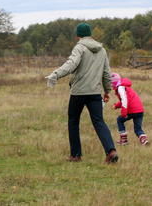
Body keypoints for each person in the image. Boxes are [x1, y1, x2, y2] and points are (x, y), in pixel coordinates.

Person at [46, 23, 118, 164]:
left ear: (78, 36)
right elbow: (107, 73)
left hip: (78, 92)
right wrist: (107, 91)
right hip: (95, 92)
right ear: (90, 34)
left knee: (73, 121)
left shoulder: (79, 47)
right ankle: (111, 151)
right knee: (99, 121)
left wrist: (56, 74)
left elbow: (71, 64)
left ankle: (76, 155)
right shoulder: (102, 50)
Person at [111, 73, 150, 146]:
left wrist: (124, 113)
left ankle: (124, 140)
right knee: (137, 128)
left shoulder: (120, 87)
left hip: (132, 110)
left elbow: (125, 100)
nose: (111, 86)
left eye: (111, 84)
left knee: (120, 120)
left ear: (114, 82)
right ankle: (144, 140)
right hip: (140, 110)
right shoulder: (125, 86)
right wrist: (117, 105)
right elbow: (127, 98)